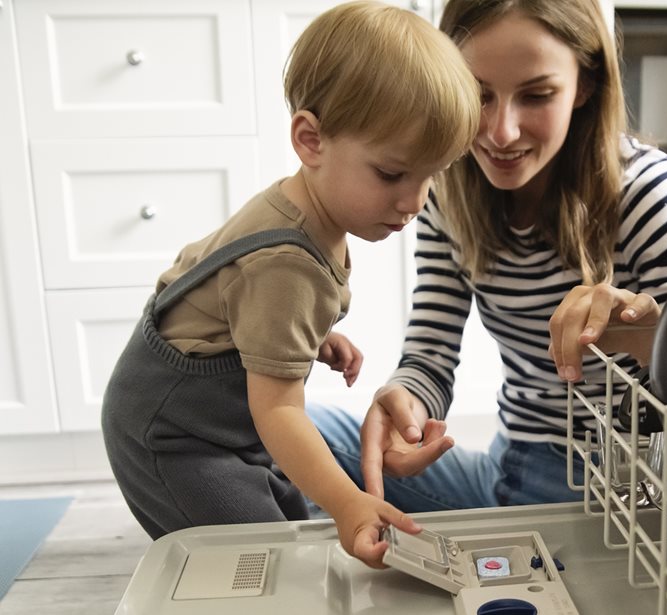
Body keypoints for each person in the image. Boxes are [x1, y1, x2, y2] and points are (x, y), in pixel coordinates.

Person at [100, 1, 480, 567]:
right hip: (176, 437)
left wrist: (304, 336)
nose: (415, 202)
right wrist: (349, 504)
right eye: (392, 173)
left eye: (433, 175)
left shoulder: (302, 207)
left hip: (210, 416)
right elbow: (278, 410)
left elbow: (224, 299)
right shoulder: (288, 261)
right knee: (262, 559)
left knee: (290, 517)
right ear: (310, 140)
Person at [308, 0, 667, 511]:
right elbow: (430, 355)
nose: (502, 133)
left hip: (610, 489)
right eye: (479, 95)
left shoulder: (648, 192)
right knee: (281, 428)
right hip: (507, 462)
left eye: (537, 95)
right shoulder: (443, 191)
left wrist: (649, 333)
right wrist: (404, 408)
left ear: (585, 85)